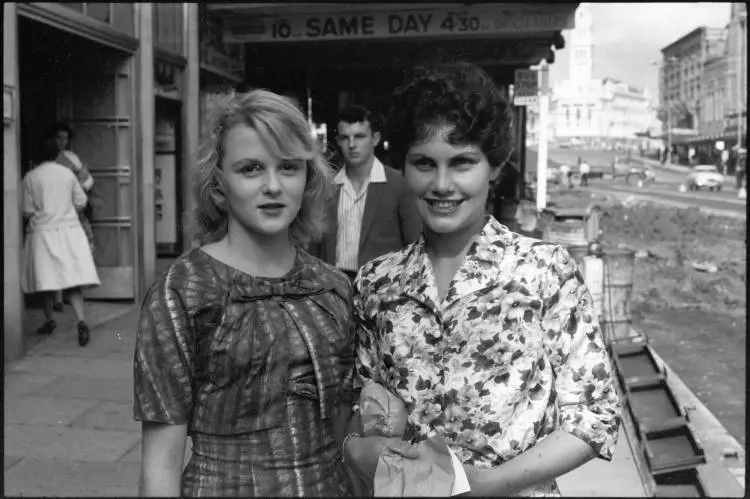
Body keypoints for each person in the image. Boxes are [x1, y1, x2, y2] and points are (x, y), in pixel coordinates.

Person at [344, 62, 621, 496]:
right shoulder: (376, 284)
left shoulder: (545, 272)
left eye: (462, 163)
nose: (441, 184)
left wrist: (489, 484)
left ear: (494, 166)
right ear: (403, 167)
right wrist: (354, 447)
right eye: (423, 163)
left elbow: (594, 415)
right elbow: (364, 406)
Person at [133, 89, 358, 497]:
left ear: (308, 179)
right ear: (218, 184)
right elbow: (160, 464)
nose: (273, 185)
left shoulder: (334, 286)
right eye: (251, 168)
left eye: (288, 167)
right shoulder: (182, 290)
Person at [310, 105, 421, 281]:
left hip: (383, 286)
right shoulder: (327, 186)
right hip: (333, 284)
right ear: (338, 141)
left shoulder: (399, 183)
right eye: (345, 138)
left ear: (375, 138)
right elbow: (315, 244)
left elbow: (415, 244)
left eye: (359, 137)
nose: (352, 145)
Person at [21, 143, 100, 346]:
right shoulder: (66, 174)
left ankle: (49, 321)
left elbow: (27, 210)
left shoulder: (30, 177)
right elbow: (81, 201)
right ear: (56, 155)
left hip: (43, 234)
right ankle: (81, 321)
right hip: (69, 231)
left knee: (46, 280)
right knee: (72, 281)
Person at [48, 122, 97, 312]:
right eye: (58, 137)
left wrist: (77, 185)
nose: (62, 141)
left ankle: (69, 292)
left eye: (65, 138)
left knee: (75, 250)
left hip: (72, 210)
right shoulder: (48, 160)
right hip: (54, 211)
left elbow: (88, 181)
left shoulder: (71, 158)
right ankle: (58, 297)